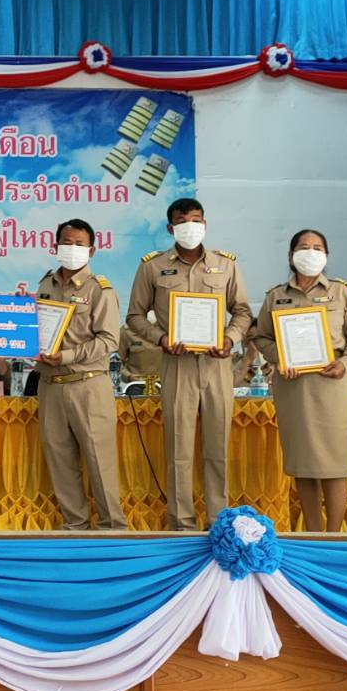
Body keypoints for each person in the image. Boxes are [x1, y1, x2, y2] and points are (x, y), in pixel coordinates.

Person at [125, 198, 251, 531]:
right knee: (179, 448)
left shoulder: (226, 265)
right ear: (171, 228)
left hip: (216, 364)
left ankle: (219, 522)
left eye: (195, 220)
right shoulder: (152, 266)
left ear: (204, 225)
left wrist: (230, 338)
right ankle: (181, 522)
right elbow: (135, 316)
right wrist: (161, 338)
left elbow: (242, 311)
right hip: (177, 363)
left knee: (217, 447)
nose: (189, 226)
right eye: (182, 221)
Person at [248, 229, 347, 532]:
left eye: (317, 248)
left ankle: (334, 535)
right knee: (303, 464)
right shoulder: (276, 296)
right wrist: (279, 358)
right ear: (291, 255)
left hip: (332, 383)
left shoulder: (342, 292)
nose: (310, 252)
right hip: (293, 388)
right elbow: (261, 336)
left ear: (326, 255)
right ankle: (314, 533)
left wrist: (346, 363)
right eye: (304, 247)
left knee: (334, 464)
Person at [36, 219, 127, 530]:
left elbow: (109, 340)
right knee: (60, 461)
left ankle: (113, 530)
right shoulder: (45, 285)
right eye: (66, 242)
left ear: (92, 250)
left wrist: (68, 356)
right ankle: (75, 528)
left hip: (87, 385)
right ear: (55, 245)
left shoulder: (99, 289)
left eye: (79, 244)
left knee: (100, 462)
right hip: (50, 385)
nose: (72, 249)